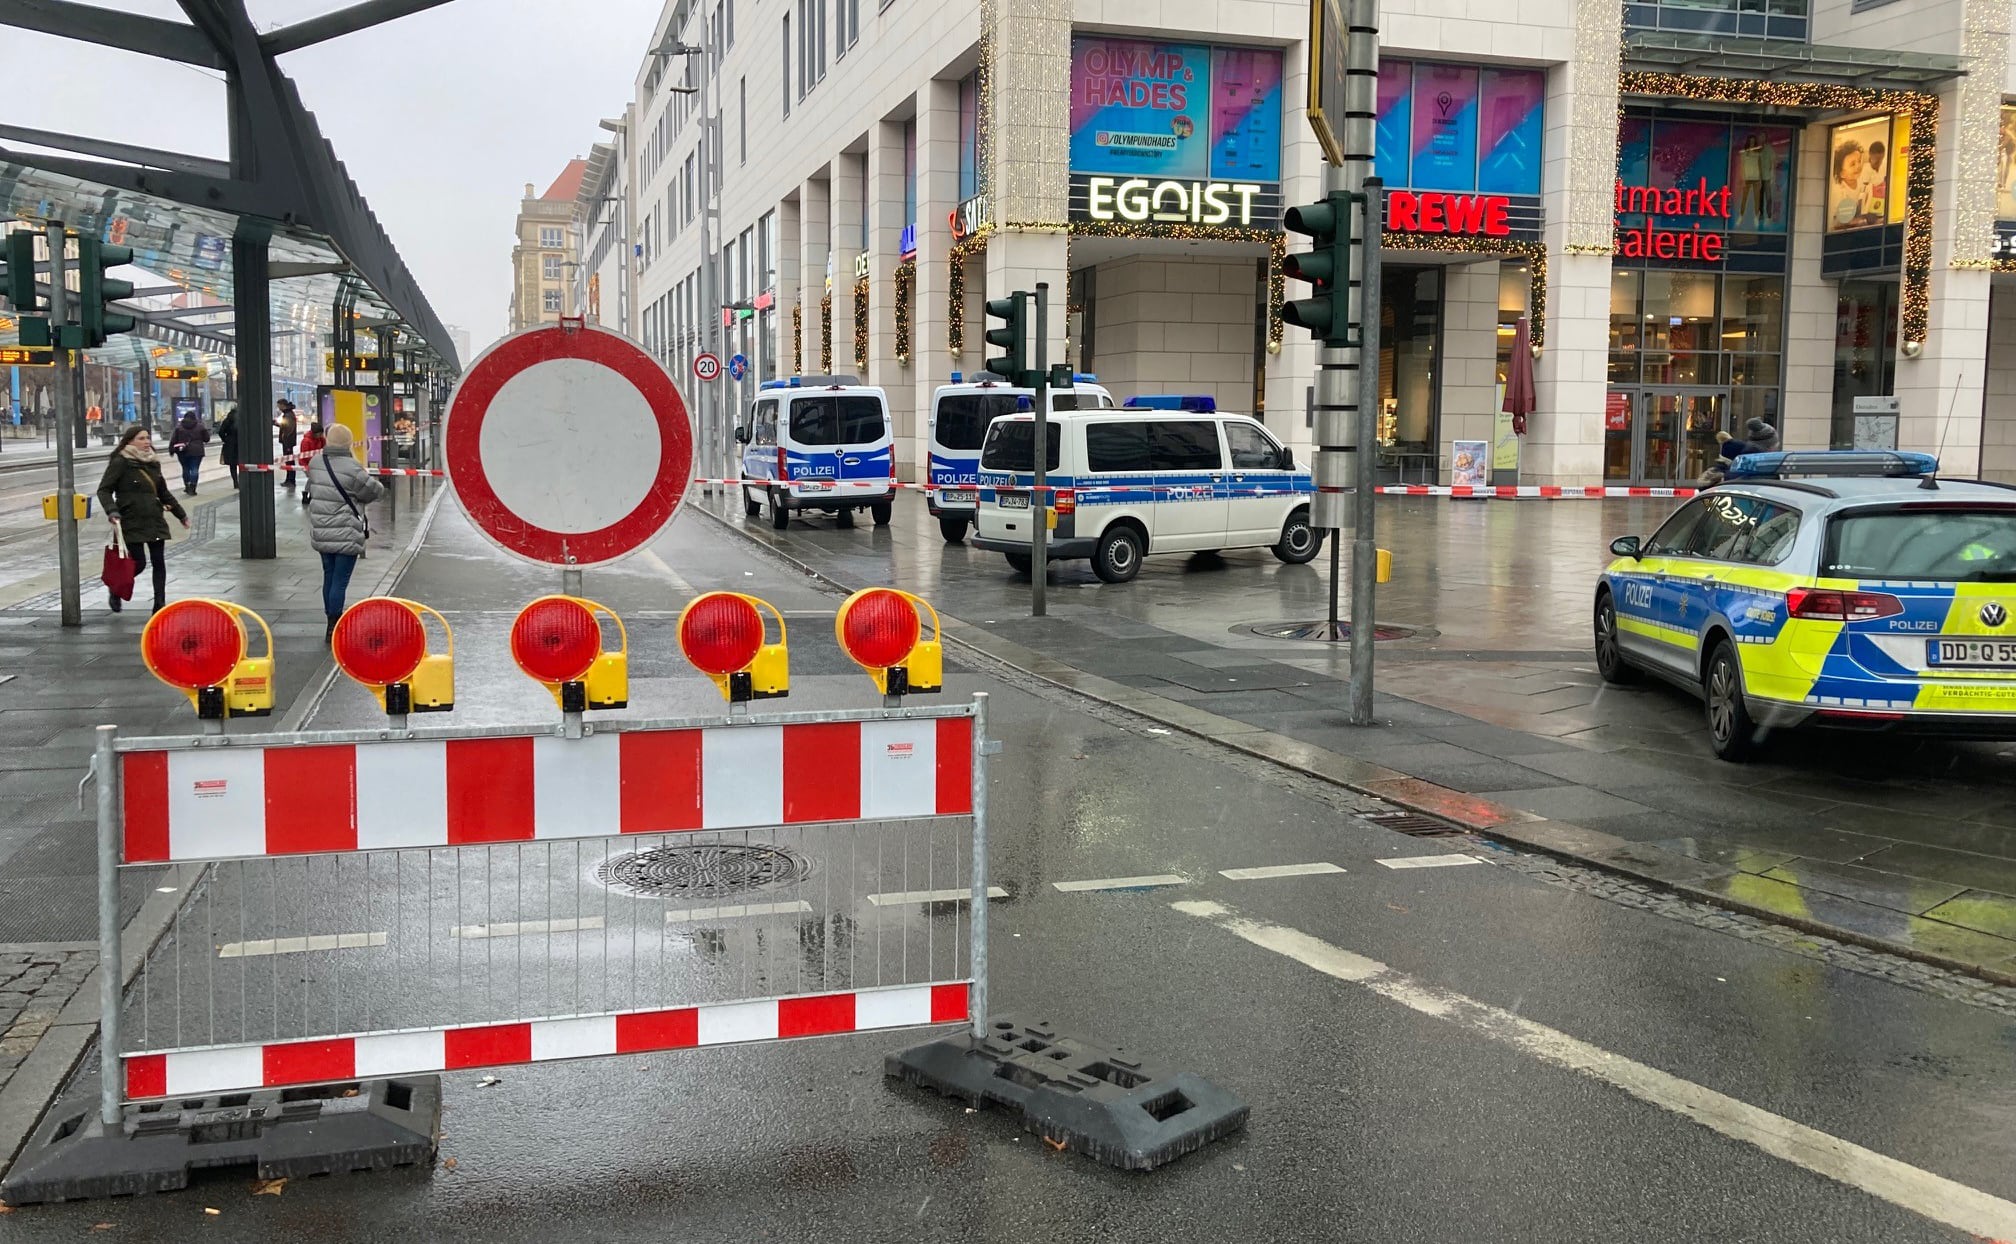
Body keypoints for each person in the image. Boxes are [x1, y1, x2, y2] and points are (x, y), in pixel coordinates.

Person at [96, 426, 189, 615]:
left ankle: (159, 604)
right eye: (141, 438)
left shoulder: (152, 462)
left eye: (148, 438)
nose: (147, 442)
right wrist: (112, 511)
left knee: (159, 562)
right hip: (131, 519)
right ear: (129, 441)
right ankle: (116, 589)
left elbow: (162, 492)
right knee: (138, 562)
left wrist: (181, 514)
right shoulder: (121, 462)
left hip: (154, 518)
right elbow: (104, 490)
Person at [305, 424, 383, 643]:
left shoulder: (316, 462)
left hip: (322, 531)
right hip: (346, 532)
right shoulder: (353, 467)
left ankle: (330, 618)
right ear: (349, 443)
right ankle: (334, 625)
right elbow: (376, 491)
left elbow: (314, 488)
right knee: (340, 581)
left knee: (329, 577)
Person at [167, 409, 208, 494]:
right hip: (197, 451)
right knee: (194, 469)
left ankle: (187, 486)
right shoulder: (200, 426)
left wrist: (171, 450)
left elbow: (173, 439)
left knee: (185, 468)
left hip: (182, 451)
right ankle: (193, 488)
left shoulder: (179, 427)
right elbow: (206, 439)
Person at [1831, 142, 1871, 229]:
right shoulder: (1839, 192)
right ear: (1842, 174)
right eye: (1852, 164)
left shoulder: (1863, 183)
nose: (1858, 166)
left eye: (1859, 161)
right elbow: (1836, 221)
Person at [296, 421, 326, 507]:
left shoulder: (321, 439)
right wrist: (317, 461)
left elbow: (325, 448)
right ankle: (308, 495)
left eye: (321, 434)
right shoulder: (306, 441)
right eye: (319, 434)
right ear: (314, 433)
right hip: (306, 463)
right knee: (313, 478)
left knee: (313, 479)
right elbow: (305, 455)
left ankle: (308, 495)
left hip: (317, 463)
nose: (320, 435)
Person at [276, 399, 299, 490]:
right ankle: (289, 480)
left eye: (279, 406)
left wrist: (285, 438)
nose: (278, 408)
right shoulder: (288, 413)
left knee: (289, 461)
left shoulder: (288, 415)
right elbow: (285, 426)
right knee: (289, 461)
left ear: (283, 405)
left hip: (287, 442)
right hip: (287, 441)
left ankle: (291, 480)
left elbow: (288, 428)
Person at [217, 405, 241, 488]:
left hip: (230, 444)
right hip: (241, 443)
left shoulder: (227, 420)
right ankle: (242, 480)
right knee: (242, 464)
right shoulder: (242, 419)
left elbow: (221, 432)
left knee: (232, 464)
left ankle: (235, 482)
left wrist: (225, 439)